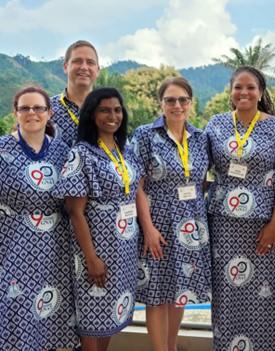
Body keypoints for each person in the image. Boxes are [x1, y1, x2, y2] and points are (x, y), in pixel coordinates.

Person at [205, 66, 275, 351]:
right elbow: (196, 169)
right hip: (223, 226)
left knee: (265, 299)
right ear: (230, 92)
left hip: (265, 226)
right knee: (227, 296)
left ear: (260, 92)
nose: (244, 92)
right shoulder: (215, 124)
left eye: (250, 87)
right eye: (238, 87)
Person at [53, 87, 143, 351]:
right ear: (92, 115)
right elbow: (75, 211)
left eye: (117, 110)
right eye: (104, 110)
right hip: (97, 247)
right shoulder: (82, 153)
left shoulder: (124, 151)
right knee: (92, 316)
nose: (112, 115)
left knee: (111, 315)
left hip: (125, 247)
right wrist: (91, 258)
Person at [131, 77, 211, 351]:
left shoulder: (201, 138)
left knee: (180, 291)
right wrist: (148, 227)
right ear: (161, 103)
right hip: (159, 223)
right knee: (156, 295)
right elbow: (137, 185)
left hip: (191, 223)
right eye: (170, 100)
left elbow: (201, 181)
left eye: (182, 100)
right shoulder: (145, 135)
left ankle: (171, 346)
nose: (177, 105)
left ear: (190, 103)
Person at [0, 86, 78, 350]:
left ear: (49, 113)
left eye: (38, 108)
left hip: (55, 246)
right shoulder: (2, 149)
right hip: (13, 245)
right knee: (16, 311)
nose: (32, 113)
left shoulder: (62, 150)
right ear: (16, 113)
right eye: (25, 108)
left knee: (51, 314)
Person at [51, 40, 100, 146]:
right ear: (65, 67)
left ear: (98, 70)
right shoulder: (46, 109)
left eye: (90, 62)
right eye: (77, 61)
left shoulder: (110, 110)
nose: (84, 67)